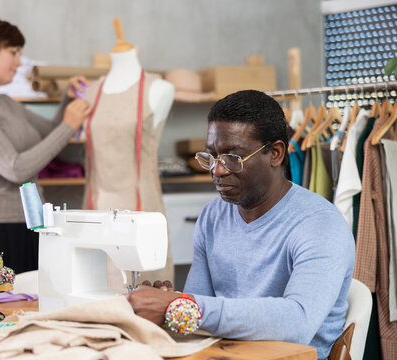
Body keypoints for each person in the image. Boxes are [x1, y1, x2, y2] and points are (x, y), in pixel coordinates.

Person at [127, 90, 355, 360]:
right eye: (211, 156)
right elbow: (195, 317)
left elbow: (299, 321)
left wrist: (184, 305)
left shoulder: (320, 224)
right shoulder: (213, 216)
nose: (218, 170)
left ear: (276, 153)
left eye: (233, 158)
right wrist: (169, 309)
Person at [0, 18, 91, 274]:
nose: (19, 61)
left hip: (28, 224)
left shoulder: (5, 102)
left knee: (32, 310)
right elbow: (16, 169)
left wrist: (67, 96)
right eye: (13, 52)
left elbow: (51, 132)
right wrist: (69, 125)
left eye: (20, 53)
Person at [83, 28, 175, 287]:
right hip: (97, 207)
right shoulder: (93, 91)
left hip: (141, 205)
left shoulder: (158, 89)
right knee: (96, 290)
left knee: (146, 292)